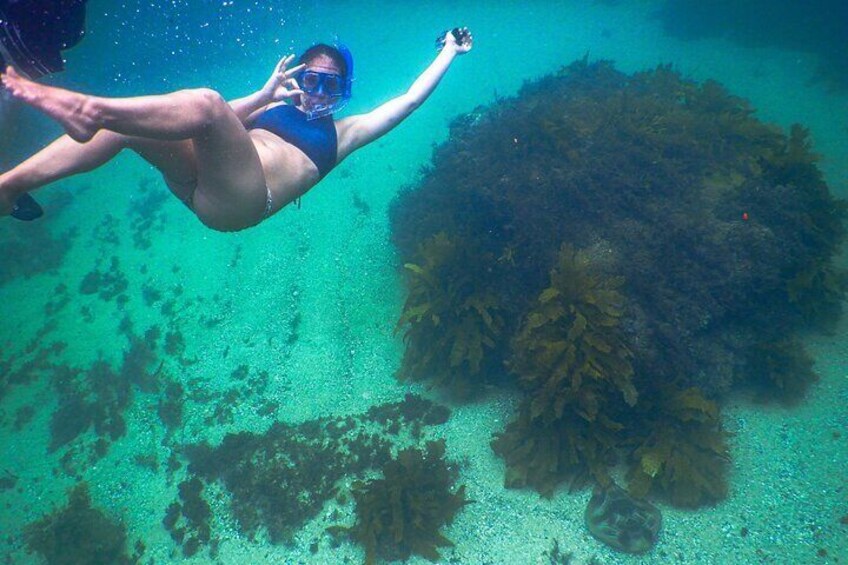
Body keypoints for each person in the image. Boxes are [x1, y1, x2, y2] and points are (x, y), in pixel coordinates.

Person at [0, 27, 473, 229]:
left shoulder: (344, 134)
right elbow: (192, 122)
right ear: (297, 78)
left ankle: (92, 110)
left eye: (331, 85)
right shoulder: (270, 102)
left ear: (344, 90)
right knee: (133, 128)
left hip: (243, 203)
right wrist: (263, 97)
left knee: (206, 103)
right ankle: (10, 185)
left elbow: (408, 101)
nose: (318, 94)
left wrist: (449, 51)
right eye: (311, 80)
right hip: (201, 179)